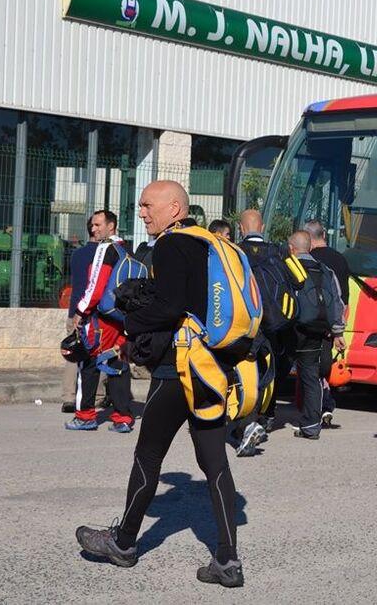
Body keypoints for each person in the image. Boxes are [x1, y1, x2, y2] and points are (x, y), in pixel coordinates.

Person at [75, 181, 245, 588]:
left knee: (148, 455)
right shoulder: (212, 244)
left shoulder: (171, 245)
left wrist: (129, 326)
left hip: (178, 369)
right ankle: (228, 561)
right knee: (215, 462)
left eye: (148, 205)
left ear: (174, 207)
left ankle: (124, 543)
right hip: (213, 369)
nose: (143, 212)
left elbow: (170, 307)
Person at [65, 210, 135, 433]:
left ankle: (85, 416)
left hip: (99, 319)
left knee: (88, 364)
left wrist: (80, 311)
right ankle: (123, 417)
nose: (93, 229)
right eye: (92, 225)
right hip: (120, 318)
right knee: (118, 364)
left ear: (111, 226)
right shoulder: (126, 249)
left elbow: (95, 286)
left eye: (97, 225)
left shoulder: (105, 249)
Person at [288, 230, 345, 440]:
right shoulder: (326, 270)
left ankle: (262, 419)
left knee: (273, 372)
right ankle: (312, 425)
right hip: (318, 330)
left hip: (292, 329)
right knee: (311, 377)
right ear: (310, 247)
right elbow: (337, 302)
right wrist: (338, 331)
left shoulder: (288, 268)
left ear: (291, 248)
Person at [230, 209, 278, 457]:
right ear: (264, 225)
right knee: (263, 373)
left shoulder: (232, 252)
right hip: (271, 325)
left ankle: (247, 424)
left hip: (242, 325)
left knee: (239, 374)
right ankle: (258, 417)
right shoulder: (278, 252)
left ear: (241, 226)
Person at [304, 219, 350, 427]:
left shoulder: (309, 260)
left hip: (311, 323)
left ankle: (317, 408)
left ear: (308, 238)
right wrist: (338, 327)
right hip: (332, 323)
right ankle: (325, 405)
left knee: (311, 368)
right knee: (324, 364)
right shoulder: (340, 259)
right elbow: (344, 297)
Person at [60, 216, 98, 413]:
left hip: (74, 310)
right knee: (98, 353)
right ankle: (98, 395)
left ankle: (68, 397)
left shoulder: (77, 254)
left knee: (73, 353)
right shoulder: (103, 254)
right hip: (95, 312)